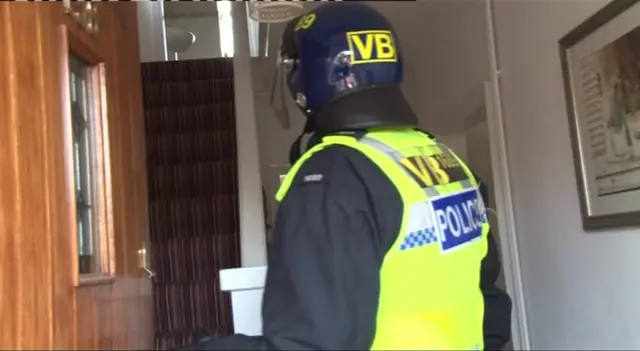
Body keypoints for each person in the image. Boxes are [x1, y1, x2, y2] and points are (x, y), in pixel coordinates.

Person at [175, 2, 511, 350]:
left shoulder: (335, 179)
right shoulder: (448, 164)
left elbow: (311, 344)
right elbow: (492, 312)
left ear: (304, 75)